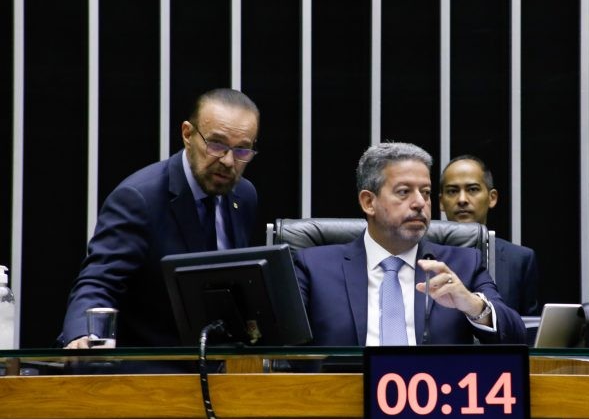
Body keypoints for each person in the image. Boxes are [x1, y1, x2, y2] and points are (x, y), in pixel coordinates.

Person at [58, 88, 261, 349]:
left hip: (220, 358)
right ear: (187, 134)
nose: (228, 161)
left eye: (242, 150)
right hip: (153, 360)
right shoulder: (140, 198)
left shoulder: (244, 195)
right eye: (216, 145)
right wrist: (84, 334)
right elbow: (100, 281)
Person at [292, 142, 527, 346]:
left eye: (425, 192)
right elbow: (281, 348)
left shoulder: (463, 264)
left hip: (436, 385)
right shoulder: (313, 267)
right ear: (368, 202)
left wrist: (473, 305)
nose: (419, 203)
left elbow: (517, 336)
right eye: (404, 192)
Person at [439, 154, 540, 316]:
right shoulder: (423, 256)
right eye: (452, 191)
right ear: (441, 202)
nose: (462, 199)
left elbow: (528, 326)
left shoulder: (520, 260)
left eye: (472, 189)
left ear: (492, 198)